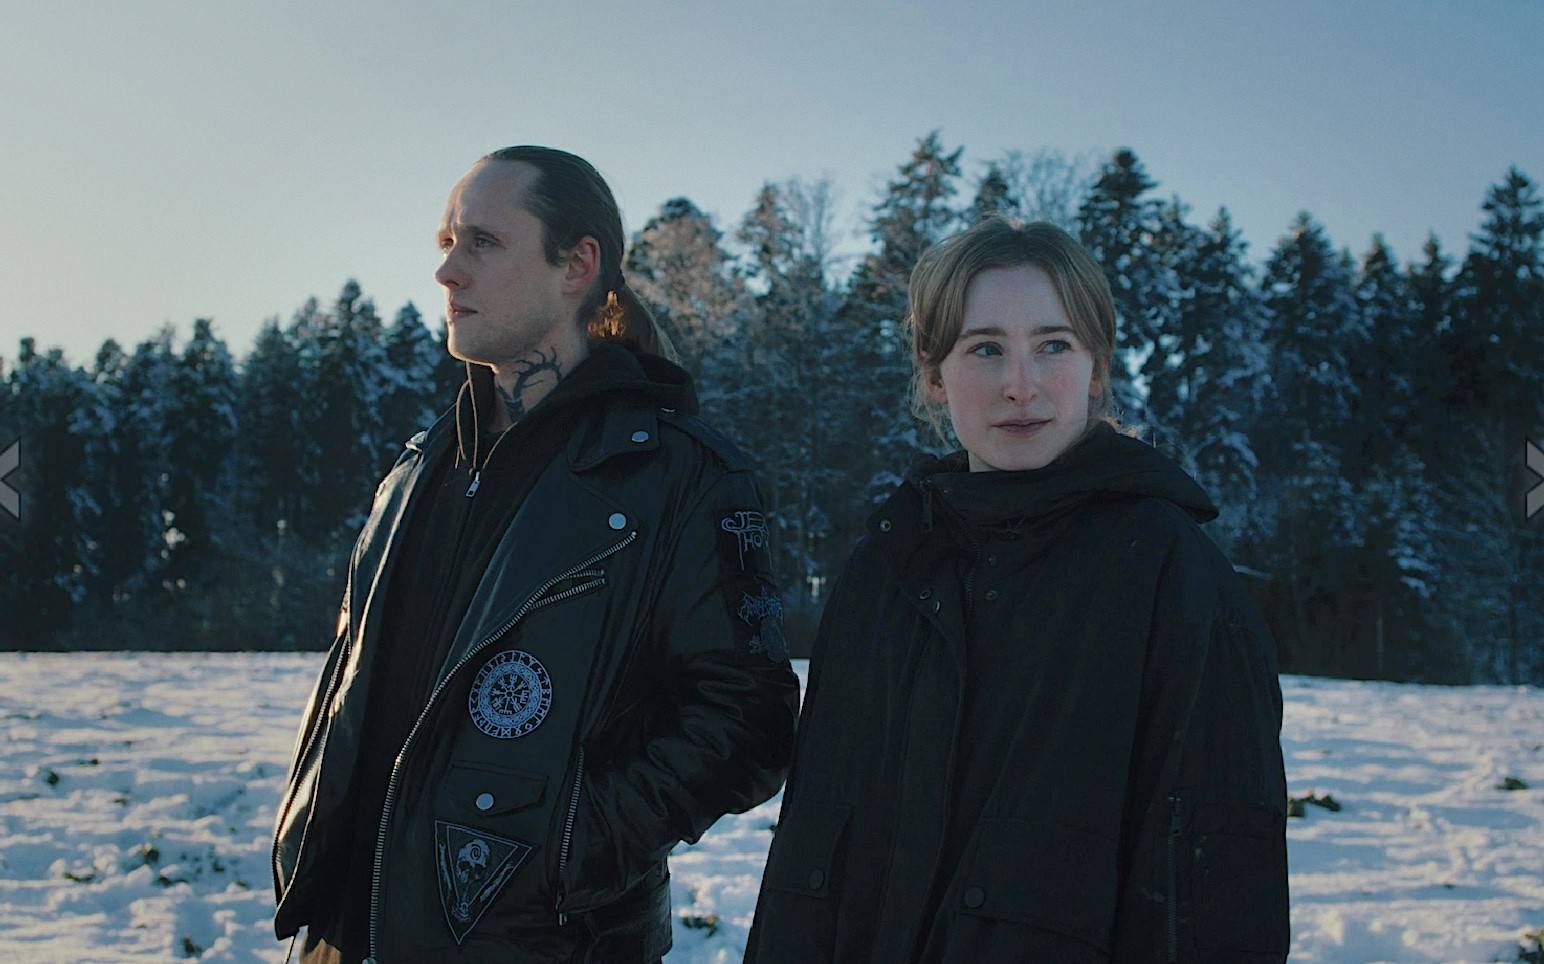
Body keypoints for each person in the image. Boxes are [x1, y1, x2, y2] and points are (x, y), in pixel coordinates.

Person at [271, 146, 800, 964]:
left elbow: (747, 720)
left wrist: (562, 850)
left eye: (482, 242)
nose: (447, 271)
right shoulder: (418, 468)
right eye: (446, 241)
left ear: (577, 265)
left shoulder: (679, 475)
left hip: (540, 944)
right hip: (344, 936)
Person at [746, 217, 1289, 963]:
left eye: (1053, 345)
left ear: (1097, 368)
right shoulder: (885, 570)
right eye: (986, 348)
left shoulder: (1169, 576)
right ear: (934, 374)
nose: (1020, 385)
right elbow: (809, 860)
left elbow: (1215, 897)